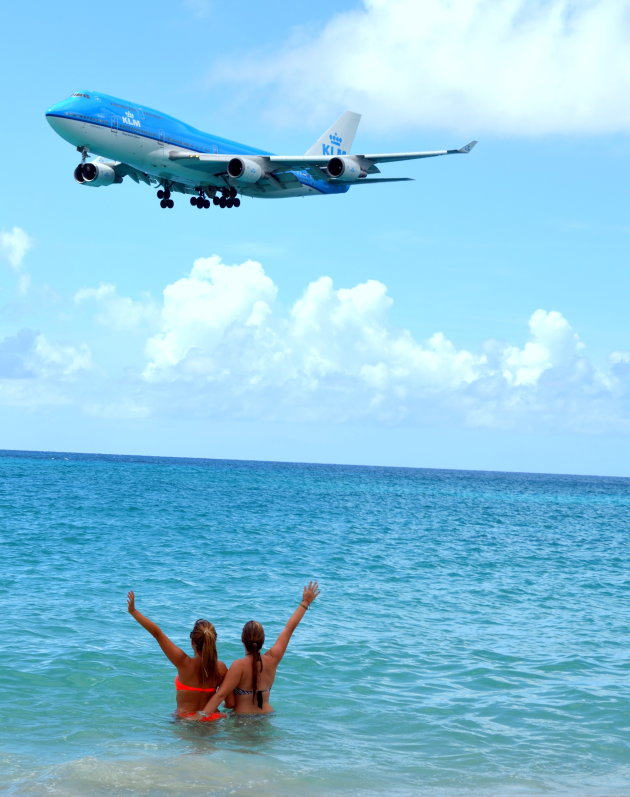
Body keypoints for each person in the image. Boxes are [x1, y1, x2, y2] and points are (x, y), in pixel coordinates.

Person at [198, 580, 320, 718]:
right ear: (263, 640)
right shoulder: (272, 659)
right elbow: (289, 628)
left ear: (242, 640)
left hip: (242, 721)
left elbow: (220, 695)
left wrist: (201, 716)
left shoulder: (238, 666)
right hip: (266, 716)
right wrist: (305, 602)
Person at [127, 591, 234, 717]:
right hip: (212, 722)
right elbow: (231, 703)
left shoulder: (183, 663)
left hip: (186, 723)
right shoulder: (220, 668)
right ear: (214, 641)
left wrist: (133, 611)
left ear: (192, 641)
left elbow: (157, 634)